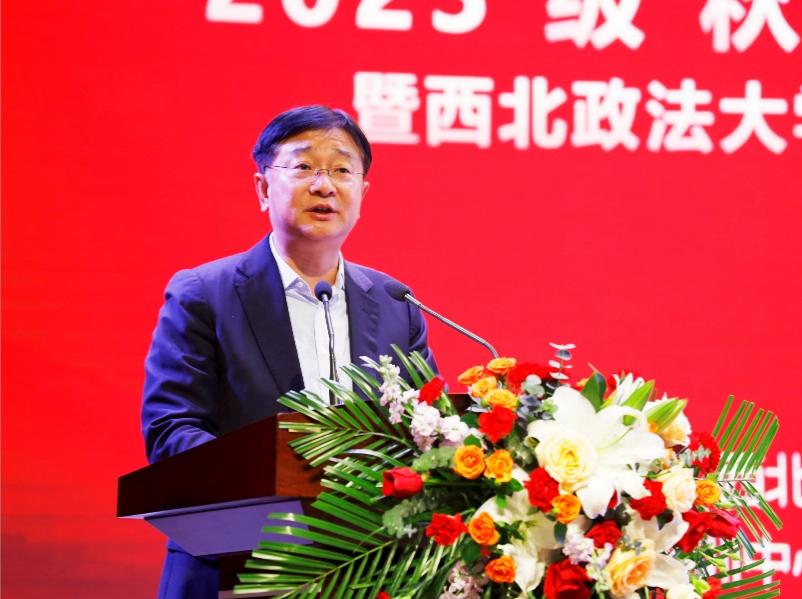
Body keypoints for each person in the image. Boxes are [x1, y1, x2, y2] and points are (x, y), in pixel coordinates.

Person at [141, 105, 436, 598]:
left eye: (340, 170)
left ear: (362, 194)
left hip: (366, 570)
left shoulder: (395, 303)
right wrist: (282, 478)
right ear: (262, 188)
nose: (324, 186)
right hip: (234, 568)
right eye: (303, 167)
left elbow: (424, 431)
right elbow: (172, 432)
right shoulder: (204, 294)